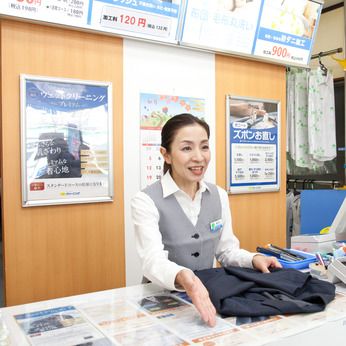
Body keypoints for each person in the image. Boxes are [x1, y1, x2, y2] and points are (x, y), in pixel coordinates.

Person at [131, 113, 281, 327]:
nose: (199, 157)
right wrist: (185, 277)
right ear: (166, 155)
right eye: (186, 148)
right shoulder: (145, 200)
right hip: (162, 300)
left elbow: (226, 251)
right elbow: (152, 260)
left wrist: (253, 259)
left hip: (208, 296)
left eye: (204, 146)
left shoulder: (218, 195)